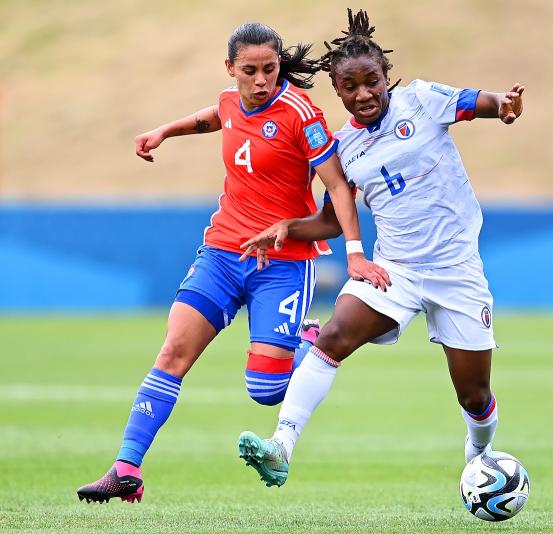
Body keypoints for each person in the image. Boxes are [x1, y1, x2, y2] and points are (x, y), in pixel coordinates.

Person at [76, 21, 389, 504]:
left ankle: (312, 341)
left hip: (283, 263)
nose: (262, 79)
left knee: (264, 390)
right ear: (231, 69)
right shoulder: (230, 100)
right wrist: (165, 130)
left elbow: (338, 188)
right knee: (173, 351)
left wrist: (353, 253)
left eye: (270, 69)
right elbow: (215, 117)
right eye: (250, 70)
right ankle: (126, 469)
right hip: (223, 252)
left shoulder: (301, 115)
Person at [235, 9, 525, 488]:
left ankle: (480, 458)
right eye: (350, 87)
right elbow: (333, 218)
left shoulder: (423, 100)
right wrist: (288, 227)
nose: (364, 94)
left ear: (387, 76)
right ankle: (281, 446)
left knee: (474, 395)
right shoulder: (344, 147)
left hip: (457, 271)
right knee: (333, 338)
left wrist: (504, 105)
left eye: (372, 82)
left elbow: (479, 101)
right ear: (338, 91)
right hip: (394, 270)